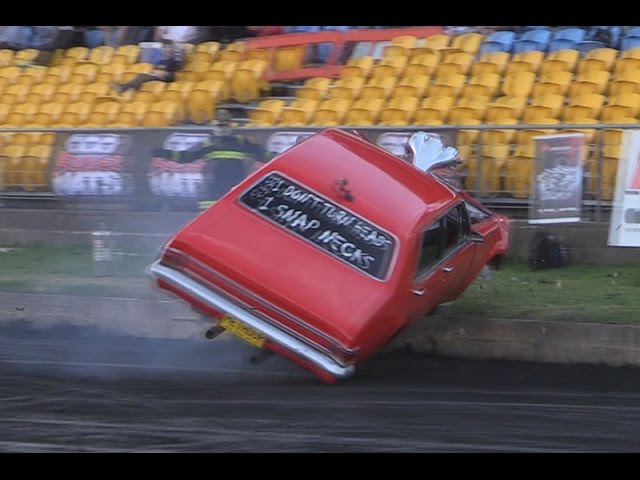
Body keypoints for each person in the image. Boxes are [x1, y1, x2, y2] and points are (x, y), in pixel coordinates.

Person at [154, 109, 269, 208]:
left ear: (231, 126)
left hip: (237, 185)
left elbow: (262, 154)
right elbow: (186, 157)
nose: (222, 129)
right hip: (214, 185)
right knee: (209, 211)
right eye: (219, 125)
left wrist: (281, 156)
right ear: (214, 126)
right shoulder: (207, 143)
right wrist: (164, 153)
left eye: (225, 125)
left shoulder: (241, 141)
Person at [111, 39, 184, 94]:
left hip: (164, 80)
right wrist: (157, 72)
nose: (167, 50)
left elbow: (172, 75)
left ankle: (124, 88)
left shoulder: (173, 60)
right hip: (156, 76)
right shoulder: (161, 60)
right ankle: (125, 87)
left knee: (142, 76)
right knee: (142, 75)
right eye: (165, 48)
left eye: (169, 48)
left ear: (172, 49)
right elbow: (153, 70)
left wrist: (161, 73)